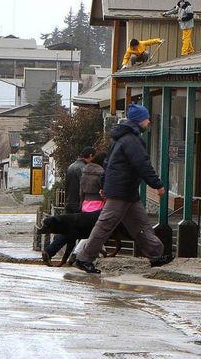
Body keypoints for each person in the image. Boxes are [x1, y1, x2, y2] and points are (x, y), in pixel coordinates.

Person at [74, 104, 173, 273]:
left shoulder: (120, 139)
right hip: (121, 190)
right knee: (105, 225)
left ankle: (155, 255)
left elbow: (107, 163)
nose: (149, 121)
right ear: (139, 120)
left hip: (126, 191)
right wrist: (157, 184)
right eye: (147, 118)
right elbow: (142, 164)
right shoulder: (132, 140)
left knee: (141, 224)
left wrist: (104, 185)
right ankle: (84, 258)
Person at [42, 147, 95, 263]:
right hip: (78, 205)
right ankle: (51, 251)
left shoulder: (71, 166)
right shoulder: (83, 169)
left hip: (69, 203)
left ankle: (70, 257)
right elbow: (85, 187)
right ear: (90, 156)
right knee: (71, 232)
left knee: (70, 233)